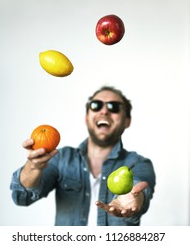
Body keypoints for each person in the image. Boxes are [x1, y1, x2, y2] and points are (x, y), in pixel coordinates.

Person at [10, 85, 156, 226]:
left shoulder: (139, 163)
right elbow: (22, 198)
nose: (104, 111)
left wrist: (137, 199)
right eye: (96, 105)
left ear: (127, 121)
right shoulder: (61, 158)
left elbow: (140, 188)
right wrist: (34, 167)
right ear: (87, 117)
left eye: (114, 107)